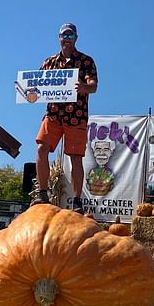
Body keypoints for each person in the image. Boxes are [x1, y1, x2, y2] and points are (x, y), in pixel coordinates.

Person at [31, 23, 98, 213]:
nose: (67, 39)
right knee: (41, 147)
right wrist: (26, 89)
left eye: (70, 36)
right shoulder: (49, 62)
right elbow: (36, 85)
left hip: (75, 117)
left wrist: (84, 87)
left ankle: (77, 201)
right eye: (64, 35)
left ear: (76, 38)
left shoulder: (86, 61)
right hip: (53, 114)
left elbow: (93, 85)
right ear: (59, 38)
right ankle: (42, 193)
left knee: (76, 158)